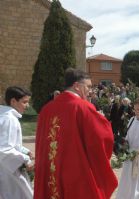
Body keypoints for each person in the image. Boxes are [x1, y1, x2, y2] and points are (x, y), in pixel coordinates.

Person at [34, 68, 118, 199]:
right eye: (89, 86)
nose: (90, 91)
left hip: (51, 168)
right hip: (74, 169)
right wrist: (102, 122)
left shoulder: (46, 109)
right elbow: (101, 137)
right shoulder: (82, 106)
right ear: (77, 86)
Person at [0, 86, 33, 199]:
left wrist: (25, 151)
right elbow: (5, 149)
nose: (27, 106)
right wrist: (26, 160)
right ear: (13, 101)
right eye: (24, 102)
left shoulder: (3, 115)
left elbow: (10, 142)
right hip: (7, 171)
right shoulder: (9, 119)